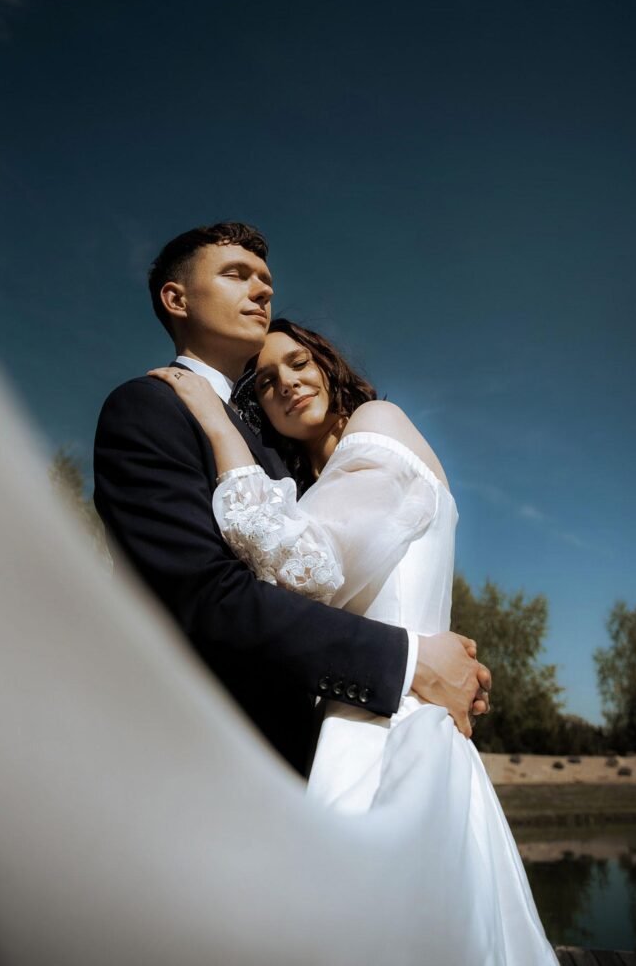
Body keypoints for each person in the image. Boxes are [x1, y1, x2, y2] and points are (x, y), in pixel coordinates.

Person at [149, 317, 558, 965]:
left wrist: (219, 427)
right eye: (266, 381)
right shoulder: (325, 480)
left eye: (299, 361)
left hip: (384, 741)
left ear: (328, 363)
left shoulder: (378, 424)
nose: (288, 382)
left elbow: (302, 566)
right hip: (375, 719)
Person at [94, 223, 489, 776]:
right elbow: (202, 598)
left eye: (266, 281)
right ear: (176, 298)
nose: (261, 291)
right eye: (236, 275)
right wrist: (410, 661)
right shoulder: (149, 407)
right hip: (209, 758)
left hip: (316, 758)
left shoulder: (279, 461)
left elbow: (311, 581)